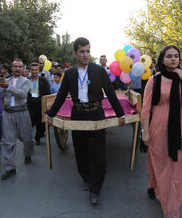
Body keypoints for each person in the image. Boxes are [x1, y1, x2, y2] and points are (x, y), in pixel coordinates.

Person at [47, 37, 125, 205]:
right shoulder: (69, 73)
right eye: (82, 51)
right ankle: (88, 178)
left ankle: (95, 189)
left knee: (98, 153)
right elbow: (61, 96)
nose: (85, 55)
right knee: (81, 151)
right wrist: (50, 114)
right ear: (75, 53)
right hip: (77, 114)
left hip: (96, 114)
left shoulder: (99, 71)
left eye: (88, 51)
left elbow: (111, 94)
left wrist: (121, 115)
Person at [141, 45, 182, 218]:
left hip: (179, 129)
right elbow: (146, 108)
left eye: (176, 56)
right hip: (157, 128)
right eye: (169, 56)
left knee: (176, 169)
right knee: (158, 164)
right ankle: (155, 186)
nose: (173, 59)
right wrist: (145, 131)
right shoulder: (154, 80)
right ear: (162, 59)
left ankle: (171, 209)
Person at [0, 59, 34, 180]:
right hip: (8, 114)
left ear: (23, 69)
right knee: (7, 142)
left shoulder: (27, 81)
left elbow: (22, 94)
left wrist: (8, 86)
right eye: (15, 66)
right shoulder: (6, 80)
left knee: (27, 138)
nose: (17, 69)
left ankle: (28, 154)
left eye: (20, 67)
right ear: (11, 68)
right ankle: (10, 168)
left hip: (22, 113)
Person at [27, 62, 50, 145]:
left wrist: (47, 104)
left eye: (36, 70)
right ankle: (29, 139)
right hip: (29, 103)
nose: (34, 71)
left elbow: (48, 92)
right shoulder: (27, 80)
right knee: (29, 123)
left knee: (40, 124)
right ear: (30, 70)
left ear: (38, 70)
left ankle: (38, 137)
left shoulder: (43, 80)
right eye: (32, 70)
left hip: (40, 103)